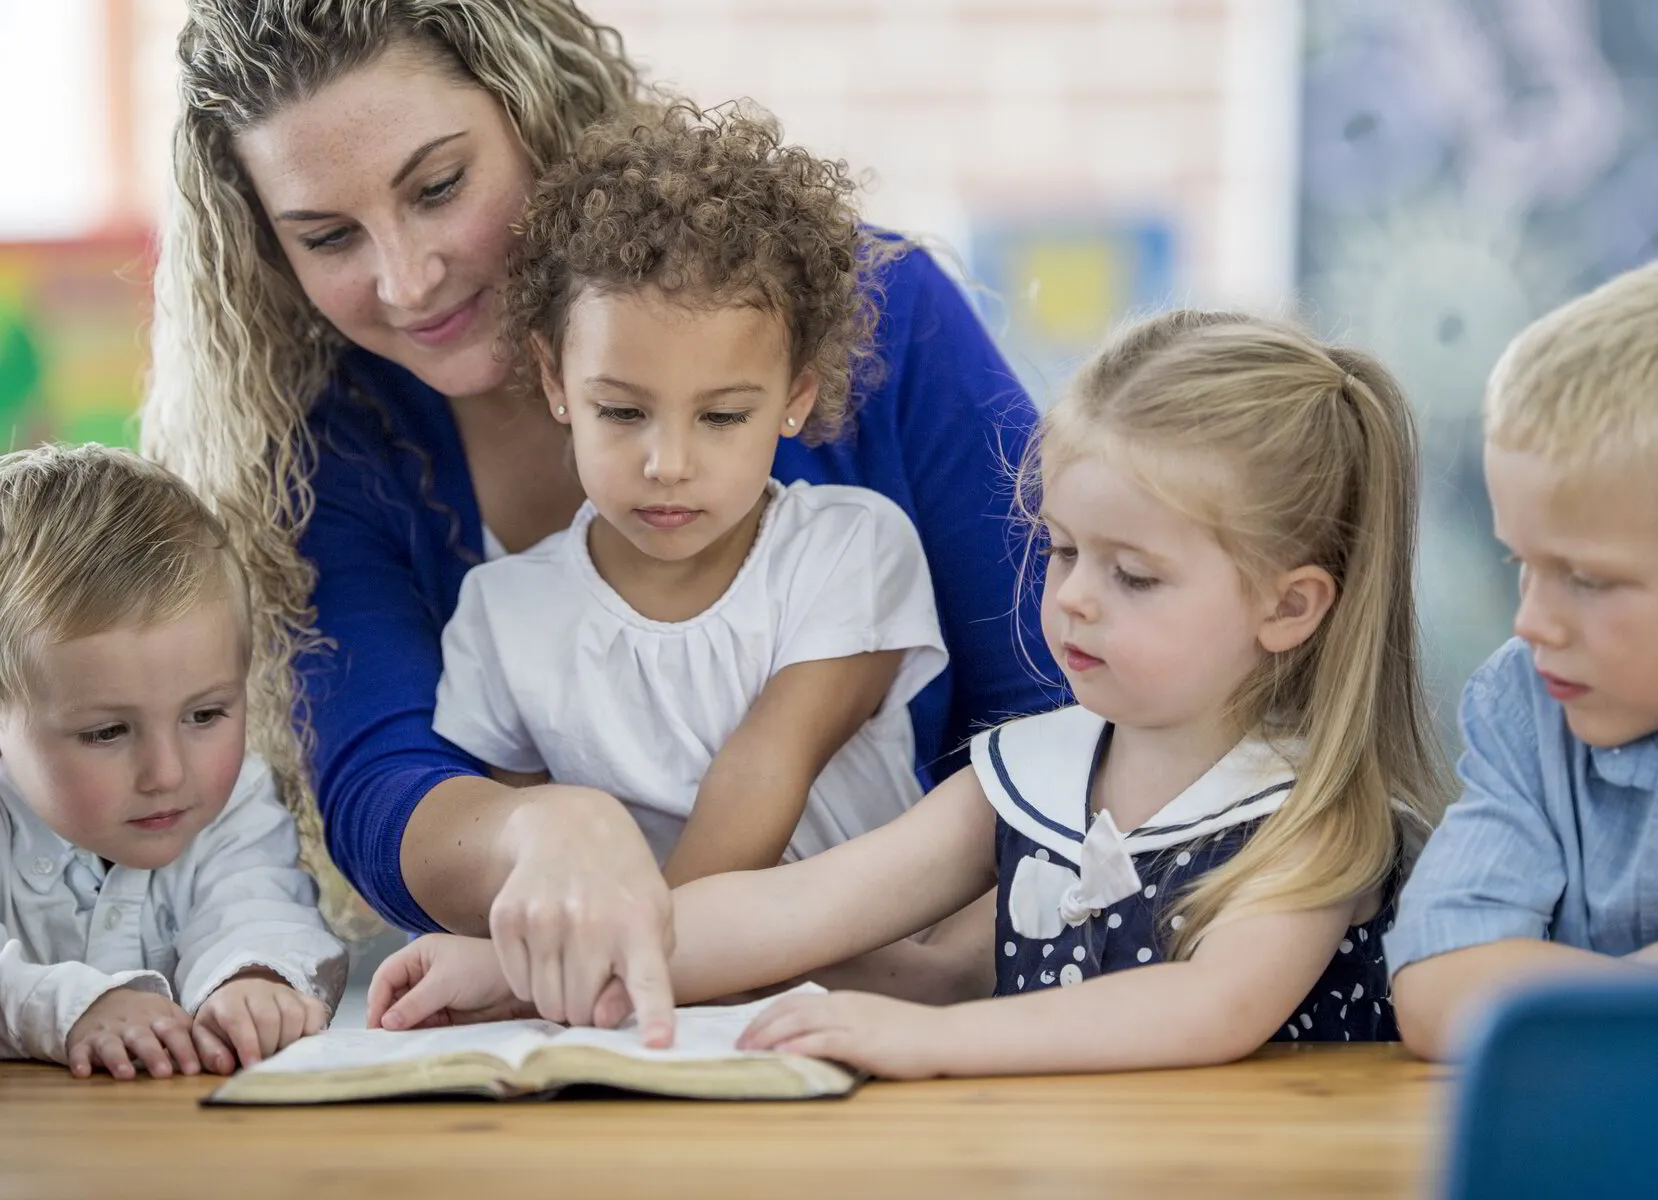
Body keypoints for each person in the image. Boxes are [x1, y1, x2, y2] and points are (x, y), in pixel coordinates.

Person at [142, 0, 1047, 1044]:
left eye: (438, 188)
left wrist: (894, 941)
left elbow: (1060, 708)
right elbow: (377, 787)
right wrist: (537, 832)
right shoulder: (339, 449)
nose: (407, 278)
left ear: (537, 110)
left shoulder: (878, 318)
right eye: (329, 236)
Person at [368, 310, 1450, 1079]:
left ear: (1289, 607)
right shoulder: (1027, 776)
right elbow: (792, 905)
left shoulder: (1312, 817)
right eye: (1062, 550)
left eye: (1132, 575)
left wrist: (929, 1041)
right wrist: (533, 969)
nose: (1071, 600)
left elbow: (1210, 1008)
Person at [444, 102, 954, 924]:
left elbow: (765, 771)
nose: (669, 465)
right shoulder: (503, 616)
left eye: (722, 418)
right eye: (620, 412)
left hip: (863, 978)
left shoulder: (849, 549)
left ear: (794, 401)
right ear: (554, 382)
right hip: (650, 1016)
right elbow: (521, 862)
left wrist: (637, 952)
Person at [0, 445, 345, 1081]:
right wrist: (73, 1008)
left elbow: (260, 906)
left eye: (206, 715)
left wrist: (252, 980)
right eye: (106, 731)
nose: (167, 773)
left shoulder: (234, 800)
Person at [1386, 262, 1658, 1060]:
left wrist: (1557, 1000)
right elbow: (1438, 986)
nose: (1531, 620)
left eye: (1587, 578)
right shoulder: (1529, 705)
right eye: (1520, 565)